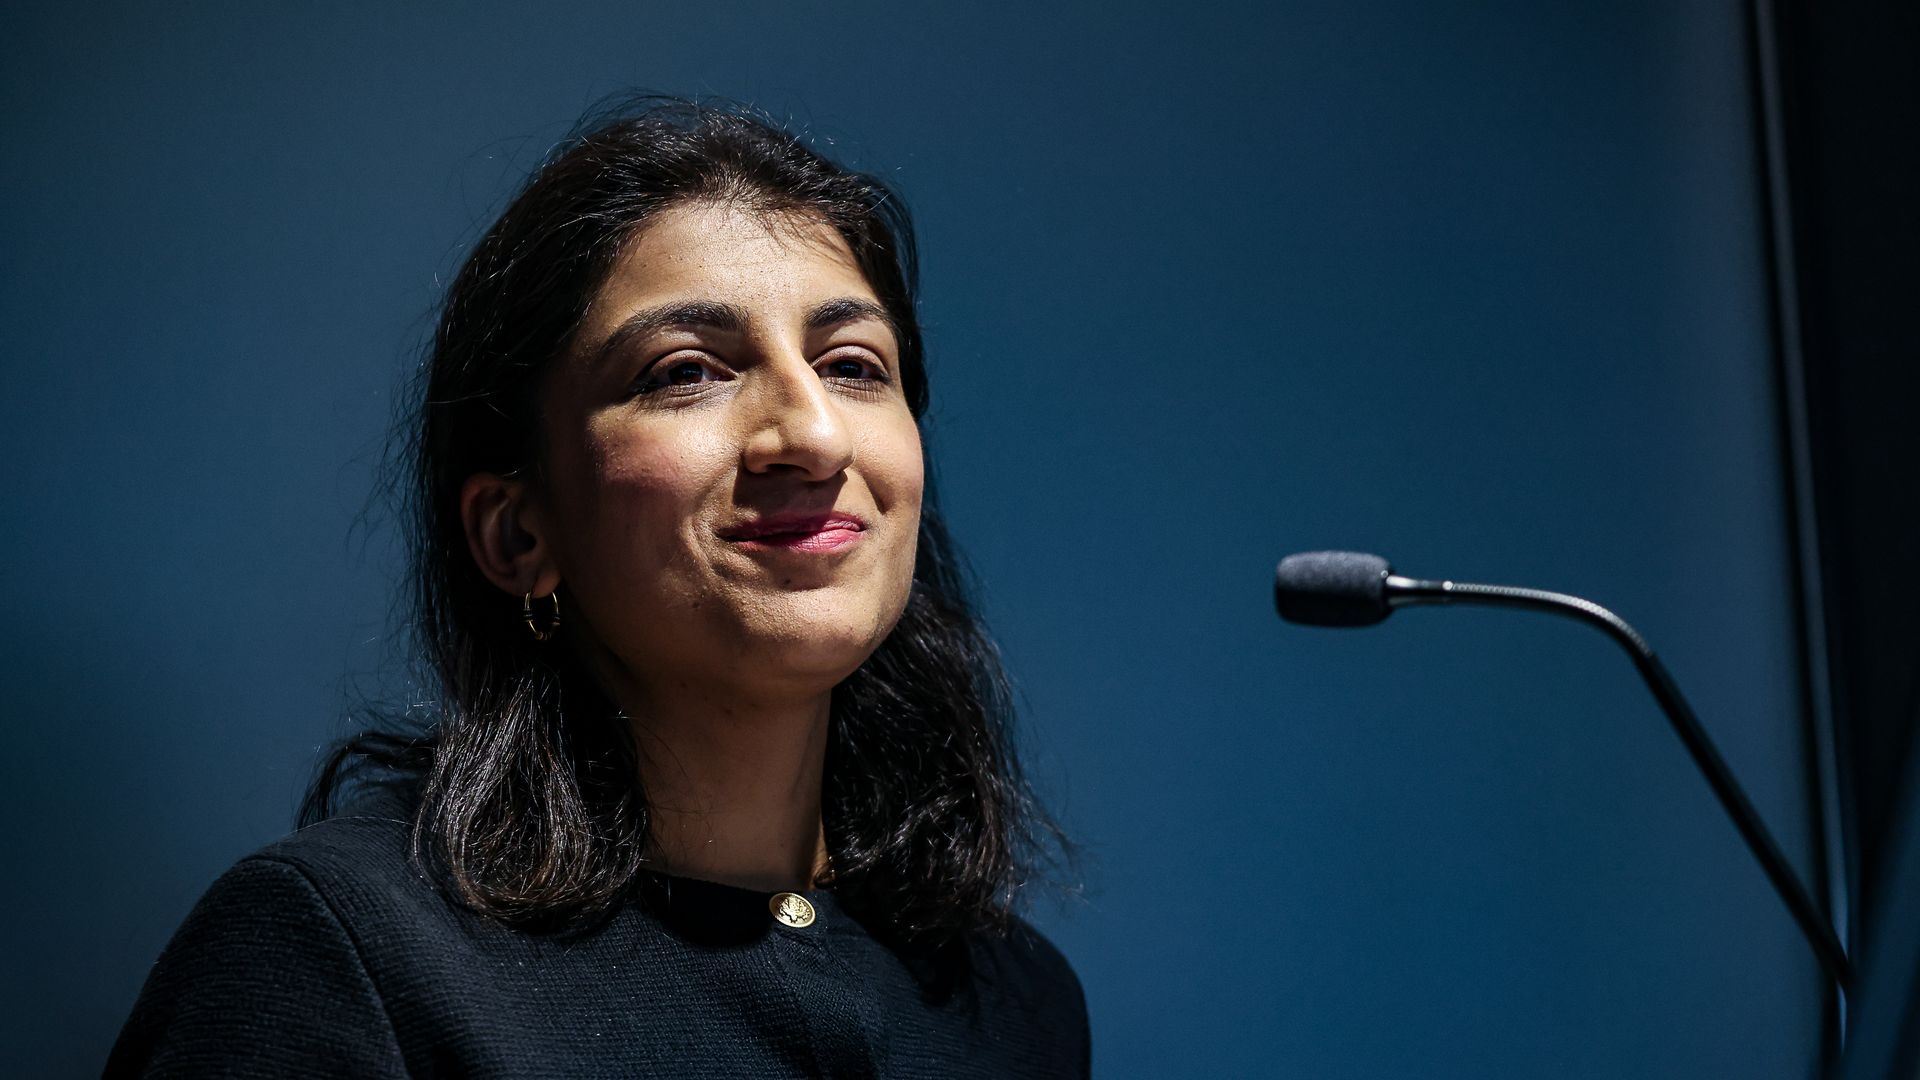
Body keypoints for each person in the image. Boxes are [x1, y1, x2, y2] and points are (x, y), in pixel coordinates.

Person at [106, 98, 1087, 1078]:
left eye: (853, 365)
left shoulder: (1016, 1006)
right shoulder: (337, 954)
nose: (815, 434)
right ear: (518, 532)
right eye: (687, 371)